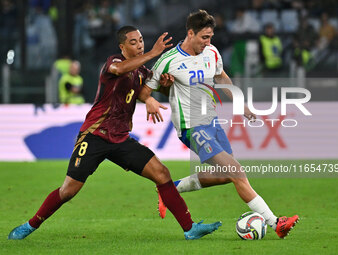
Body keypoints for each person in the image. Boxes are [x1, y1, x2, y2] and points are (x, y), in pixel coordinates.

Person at [8, 26, 221, 241]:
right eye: (133, 42)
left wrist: (161, 88)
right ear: (122, 47)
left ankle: (190, 228)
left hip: (120, 139)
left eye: (141, 41)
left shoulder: (142, 73)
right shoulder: (113, 63)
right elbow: (120, 71)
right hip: (95, 135)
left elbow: (149, 91)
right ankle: (30, 225)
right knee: (68, 190)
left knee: (162, 174)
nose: (139, 45)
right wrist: (153, 53)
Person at [139, 10, 299, 239]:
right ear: (190, 33)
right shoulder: (169, 60)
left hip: (212, 122)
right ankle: (276, 224)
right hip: (191, 127)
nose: (208, 42)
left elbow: (222, 77)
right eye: (204, 37)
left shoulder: (212, 52)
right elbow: (145, 90)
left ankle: (170, 190)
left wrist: (240, 103)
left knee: (225, 175)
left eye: (210, 37)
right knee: (237, 171)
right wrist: (151, 100)